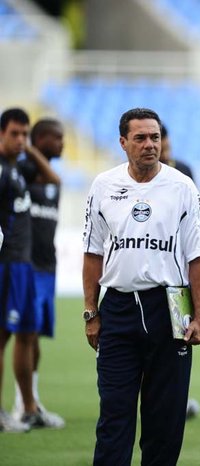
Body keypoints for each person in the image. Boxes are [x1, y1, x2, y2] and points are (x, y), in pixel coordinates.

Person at [82, 107, 200, 464]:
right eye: (140, 138)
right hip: (118, 307)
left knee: (165, 419)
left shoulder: (182, 186)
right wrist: (91, 311)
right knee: (114, 413)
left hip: (170, 308)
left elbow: (198, 255)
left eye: (154, 137)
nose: (150, 144)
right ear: (123, 142)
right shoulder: (103, 185)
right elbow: (92, 252)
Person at [0, 108, 63, 433]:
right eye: (15, 134)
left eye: (25, 134)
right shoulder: (9, 170)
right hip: (12, 264)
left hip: (29, 265)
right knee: (6, 336)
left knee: (28, 334)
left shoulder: (17, 170)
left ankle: (28, 407)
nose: (20, 140)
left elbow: (55, 180)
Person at [160, 123, 200, 420]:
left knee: (181, 339)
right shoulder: (133, 178)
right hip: (152, 269)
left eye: (162, 141)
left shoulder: (182, 172)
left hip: (180, 271)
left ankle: (178, 398)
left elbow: (195, 219)